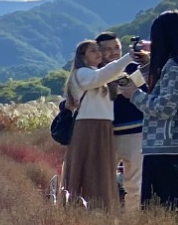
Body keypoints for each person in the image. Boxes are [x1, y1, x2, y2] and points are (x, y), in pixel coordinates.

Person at [61, 37, 140, 210]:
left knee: (101, 173)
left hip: (103, 128)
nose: (99, 54)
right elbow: (102, 76)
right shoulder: (82, 74)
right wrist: (128, 57)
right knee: (91, 172)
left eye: (98, 50)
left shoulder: (100, 76)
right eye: (93, 51)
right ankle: (84, 211)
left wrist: (147, 63)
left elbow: (130, 84)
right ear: (83, 56)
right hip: (89, 128)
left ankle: (101, 211)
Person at [99, 32, 149, 209]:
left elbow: (149, 91)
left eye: (117, 48)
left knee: (135, 184)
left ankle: (132, 223)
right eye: (108, 49)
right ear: (99, 52)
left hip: (136, 132)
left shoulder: (136, 67)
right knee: (102, 183)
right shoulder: (95, 75)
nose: (113, 52)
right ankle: (106, 222)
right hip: (105, 135)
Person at [138, 12, 178, 208]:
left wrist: (133, 94)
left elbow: (166, 107)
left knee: (160, 209)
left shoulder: (173, 67)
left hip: (165, 149)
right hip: (166, 150)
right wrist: (148, 67)